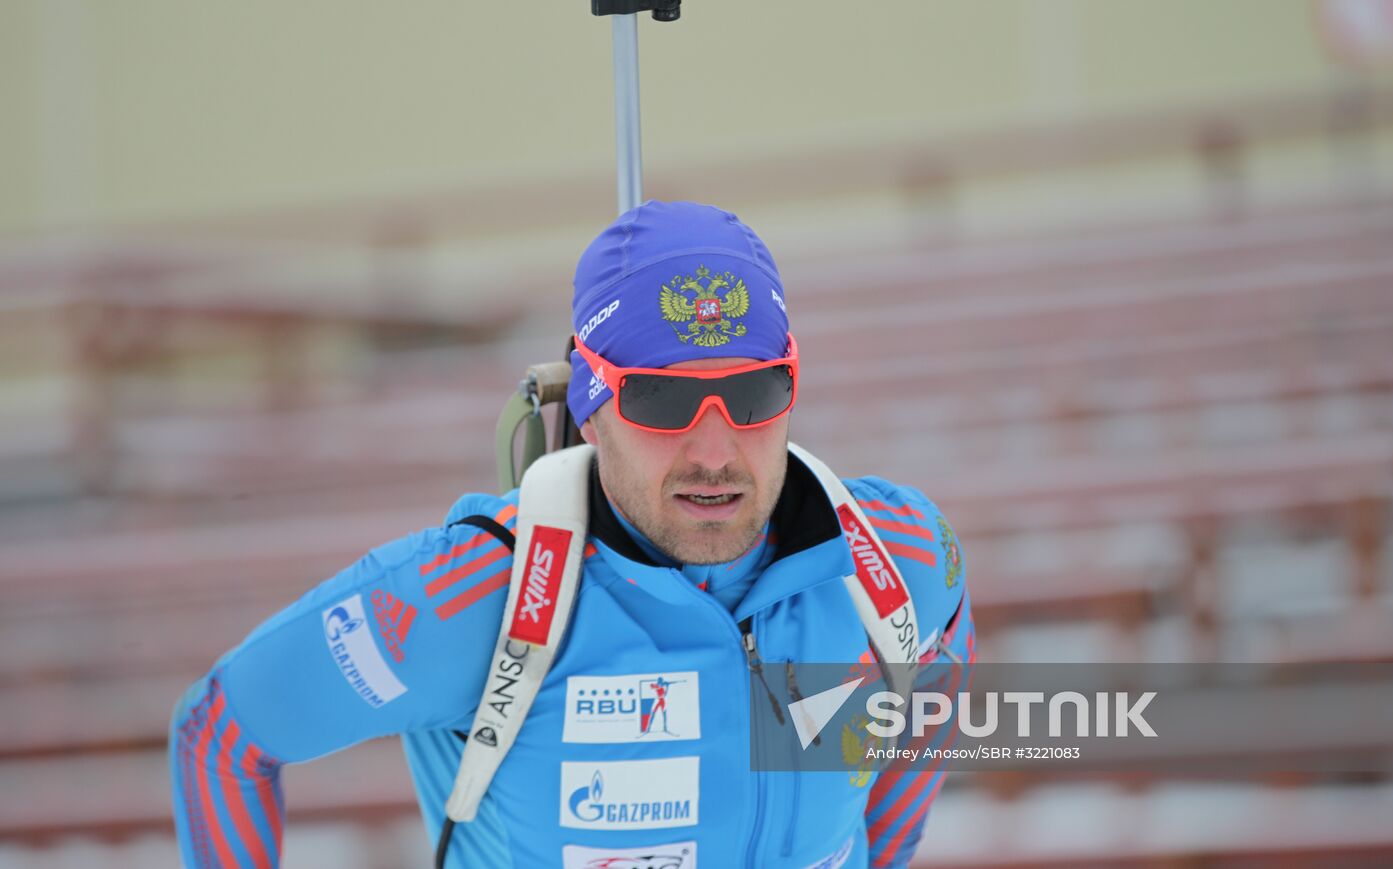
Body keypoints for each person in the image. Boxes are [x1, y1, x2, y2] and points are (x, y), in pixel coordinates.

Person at [169, 200, 976, 869]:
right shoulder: (477, 599)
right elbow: (224, 733)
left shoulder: (894, 556)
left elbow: (941, 658)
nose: (714, 451)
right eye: (661, 402)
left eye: (754, 393)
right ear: (589, 407)